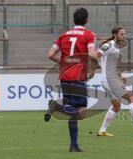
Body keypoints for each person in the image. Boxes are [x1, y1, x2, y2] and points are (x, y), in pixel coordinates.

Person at [44, 8, 100, 152]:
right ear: (86, 20)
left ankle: (73, 145)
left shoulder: (63, 35)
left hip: (64, 76)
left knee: (74, 112)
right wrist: (94, 68)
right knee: (80, 112)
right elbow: (92, 55)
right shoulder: (89, 35)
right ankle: (56, 107)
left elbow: (50, 54)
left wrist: (63, 62)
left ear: (73, 20)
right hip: (77, 76)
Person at [96, 26, 133, 137]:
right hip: (110, 80)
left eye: (124, 33)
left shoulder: (114, 46)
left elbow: (110, 64)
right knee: (131, 97)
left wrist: (120, 74)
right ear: (115, 34)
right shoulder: (108, 45)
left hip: (108, 80)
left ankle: (102, 131)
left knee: (116, 106)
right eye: (122, 34)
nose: (124, 36)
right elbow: (96, 55)